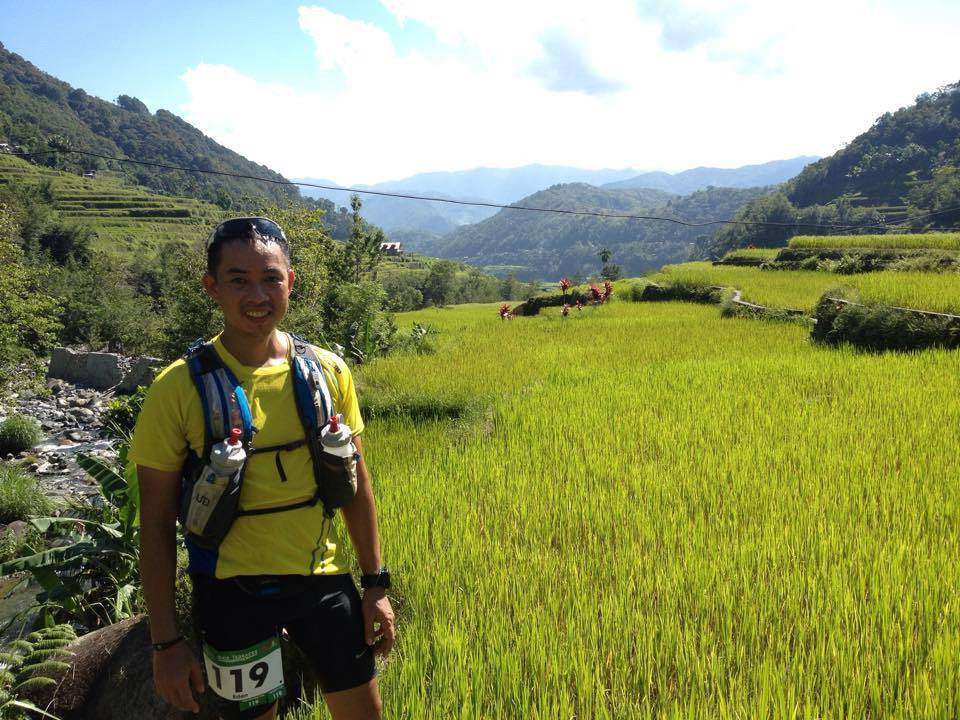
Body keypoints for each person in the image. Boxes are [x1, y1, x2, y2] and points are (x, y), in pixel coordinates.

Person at [130, 217, 395, 720]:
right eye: (238, 279)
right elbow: (157, 524)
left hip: (324, 581)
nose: (258, 294)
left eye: (271, 278)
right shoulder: (176, 388)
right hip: (232, 593)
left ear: (291, 282)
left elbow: (359, 485)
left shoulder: (328, 371)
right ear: (212, 287)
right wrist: (165, 642)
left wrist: (376, 583)